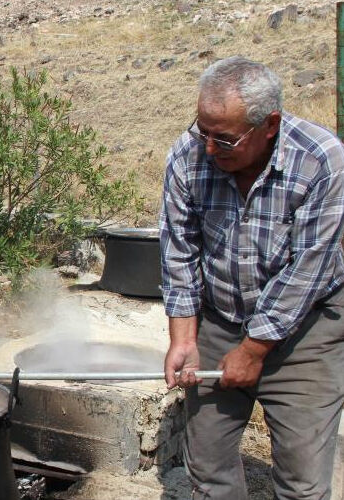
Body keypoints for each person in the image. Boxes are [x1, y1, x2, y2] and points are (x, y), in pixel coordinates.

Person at [160, 56, 344, 500]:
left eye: (223, 140)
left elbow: (309, 268)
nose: (207, 149)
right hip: (221, 320)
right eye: (202, 132)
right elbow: (179, 253)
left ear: (270, 124)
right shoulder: (188, 156)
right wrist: (183, 339)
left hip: (307, 332)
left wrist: (254, 349)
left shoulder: (321, 161)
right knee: (207, 467)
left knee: (301, 480)